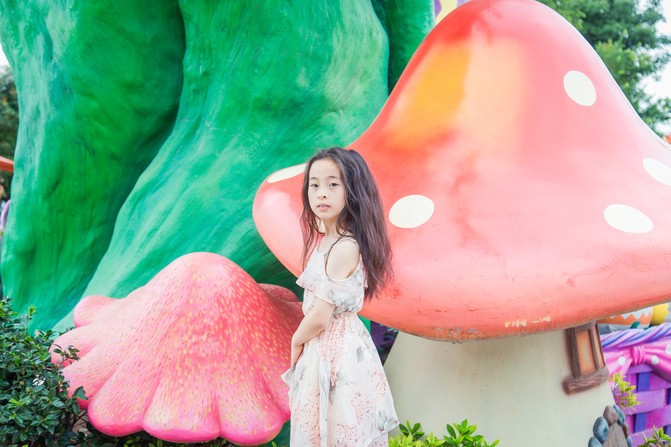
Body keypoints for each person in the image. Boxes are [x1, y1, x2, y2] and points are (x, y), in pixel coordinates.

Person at [282, 147, 399, 446]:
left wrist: (296, 341)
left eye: (333, 184)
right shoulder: (330, 239)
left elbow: (320, 317)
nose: (321, 193)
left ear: (353, 190)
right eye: (314, 184)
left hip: (334, 352)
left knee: (335, 429)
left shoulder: (344, 247)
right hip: (328, 348)